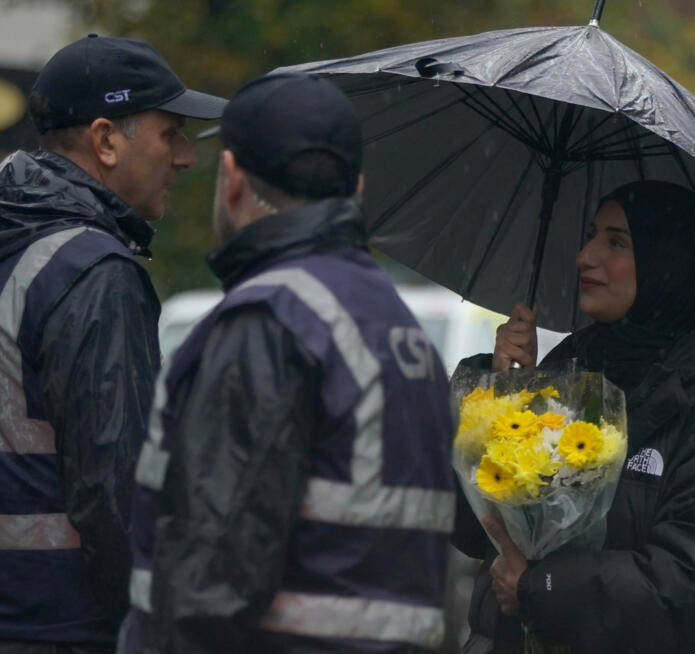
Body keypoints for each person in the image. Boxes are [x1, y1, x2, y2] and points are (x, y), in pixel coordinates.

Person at [0, 35, 226, 654]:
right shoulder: (94, 275)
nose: (186, 157)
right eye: (171, 134)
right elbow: (117, 501)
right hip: (56, 634)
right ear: (107, 139)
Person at [119, 73, 457, 654]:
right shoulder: (400, 329)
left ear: (230, 179)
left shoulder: (269, 324)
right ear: (355, 186)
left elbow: (208, 586)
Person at [453, 180, 695, 653]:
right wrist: (499, 396)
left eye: (616, 242)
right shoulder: (563, 377)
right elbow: (470, 526)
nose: (584, 256)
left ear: (670, 263)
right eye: (591, 235)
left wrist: (542, 589)